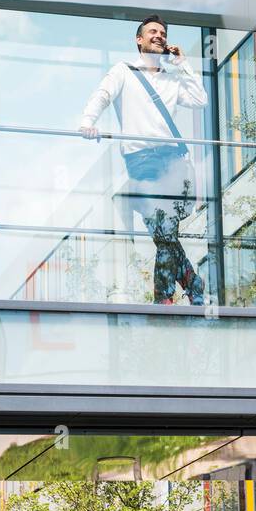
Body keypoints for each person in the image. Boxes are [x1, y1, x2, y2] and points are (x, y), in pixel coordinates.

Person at [79, 16, 208, 305]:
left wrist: (183, 65)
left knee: (165, 233)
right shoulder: (123, 71)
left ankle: (180, 290)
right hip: (143, 162)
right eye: (153, 32)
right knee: (163, 231)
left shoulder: (172, 78)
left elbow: (200, 100)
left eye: (163, 33)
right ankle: (180, 290)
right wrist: (88, 122)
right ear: (139, 40)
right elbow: (102, 95)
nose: (159, 36)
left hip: (174, 160)